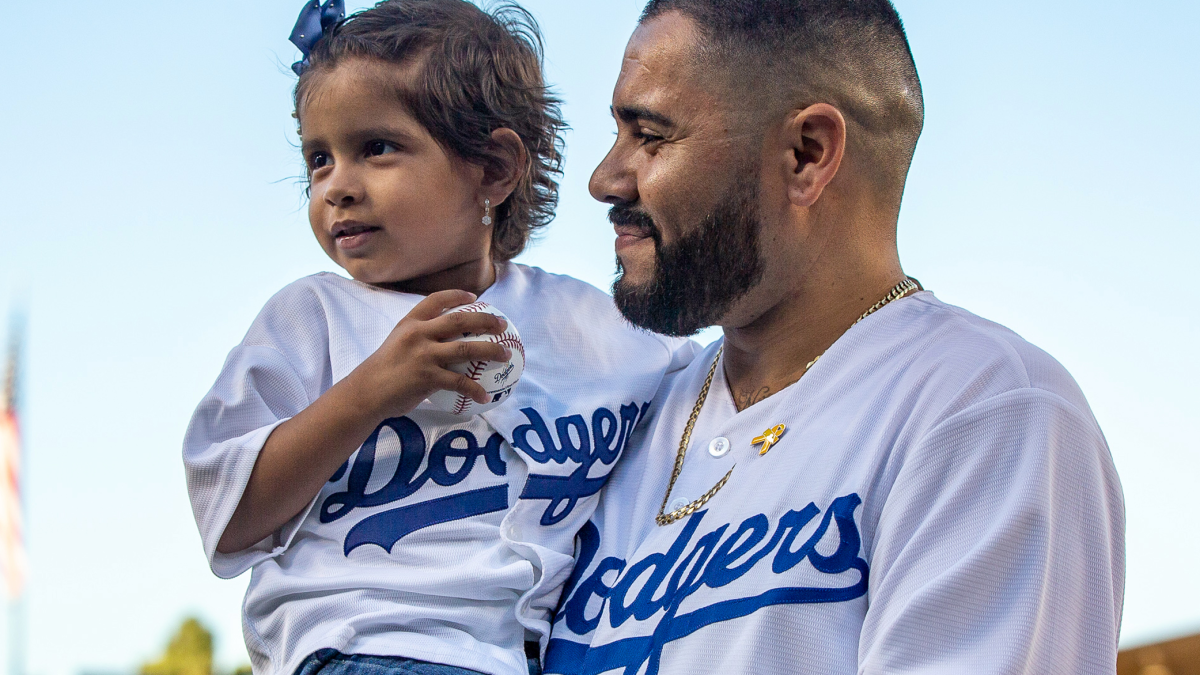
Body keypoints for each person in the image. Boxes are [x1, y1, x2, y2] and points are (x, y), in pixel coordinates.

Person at [543, 1, 1125, 673]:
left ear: (806, 153)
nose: (604, 179)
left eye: (649, 135)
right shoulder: (619, 420)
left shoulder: (984, 409)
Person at [182, 3, 694, 675]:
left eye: (376, 148)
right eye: (319, 158)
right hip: (362, 645)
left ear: (492, 169)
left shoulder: (589, 325)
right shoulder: (312, 317)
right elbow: (231, 514)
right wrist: (370, 392)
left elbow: (721, 391)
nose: (337, 186)